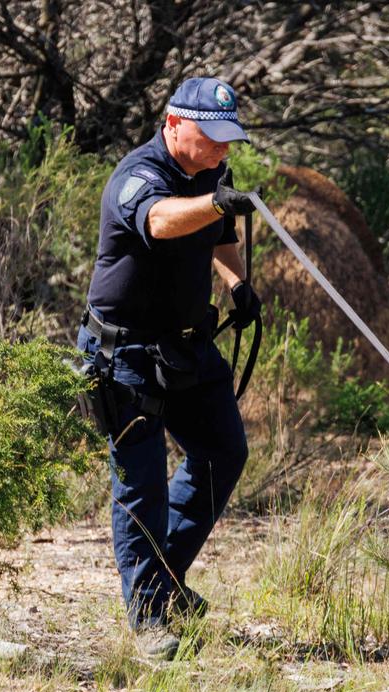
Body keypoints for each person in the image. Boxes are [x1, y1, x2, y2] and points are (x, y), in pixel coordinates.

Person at [76, 77, 262, 660]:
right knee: (142, 485)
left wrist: (237, 284)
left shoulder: (210, 174)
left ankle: (161, 581)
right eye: (213, 139)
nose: (222, 152)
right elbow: (160, 221)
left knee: (224, 452)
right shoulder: (138, 175)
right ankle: (150, 618)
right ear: (175, 123)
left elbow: (219, 232)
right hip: (125, 356)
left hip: (185, 348)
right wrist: (213, 202)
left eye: (229, 141)